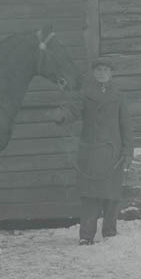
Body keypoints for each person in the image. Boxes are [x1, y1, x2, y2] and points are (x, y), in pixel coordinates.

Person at [54, 56, 133, 245]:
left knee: (112, 195)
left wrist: (128, 151)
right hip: (90, 152)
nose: (102, 73)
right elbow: (74, 111)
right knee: (90, 195)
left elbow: (126, 126)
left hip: (112, 152)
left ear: (111, 74)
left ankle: (110, 233)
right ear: (93, 73)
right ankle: (86, 235)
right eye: (98, 70)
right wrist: (63, 115)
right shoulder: (85, 94)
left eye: (105, 70)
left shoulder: (119, 97)